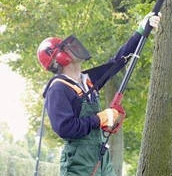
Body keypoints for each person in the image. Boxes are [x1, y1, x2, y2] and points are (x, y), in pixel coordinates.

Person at [37, 13, 161, 176]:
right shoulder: (58, 89)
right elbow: (66, 128)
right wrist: (99, 119)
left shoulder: (87, 80)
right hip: (79, 164)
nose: (72, 48)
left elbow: (117, 62)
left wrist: (141, 31)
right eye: (66, 48)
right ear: (59, 58)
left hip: (101, 157)